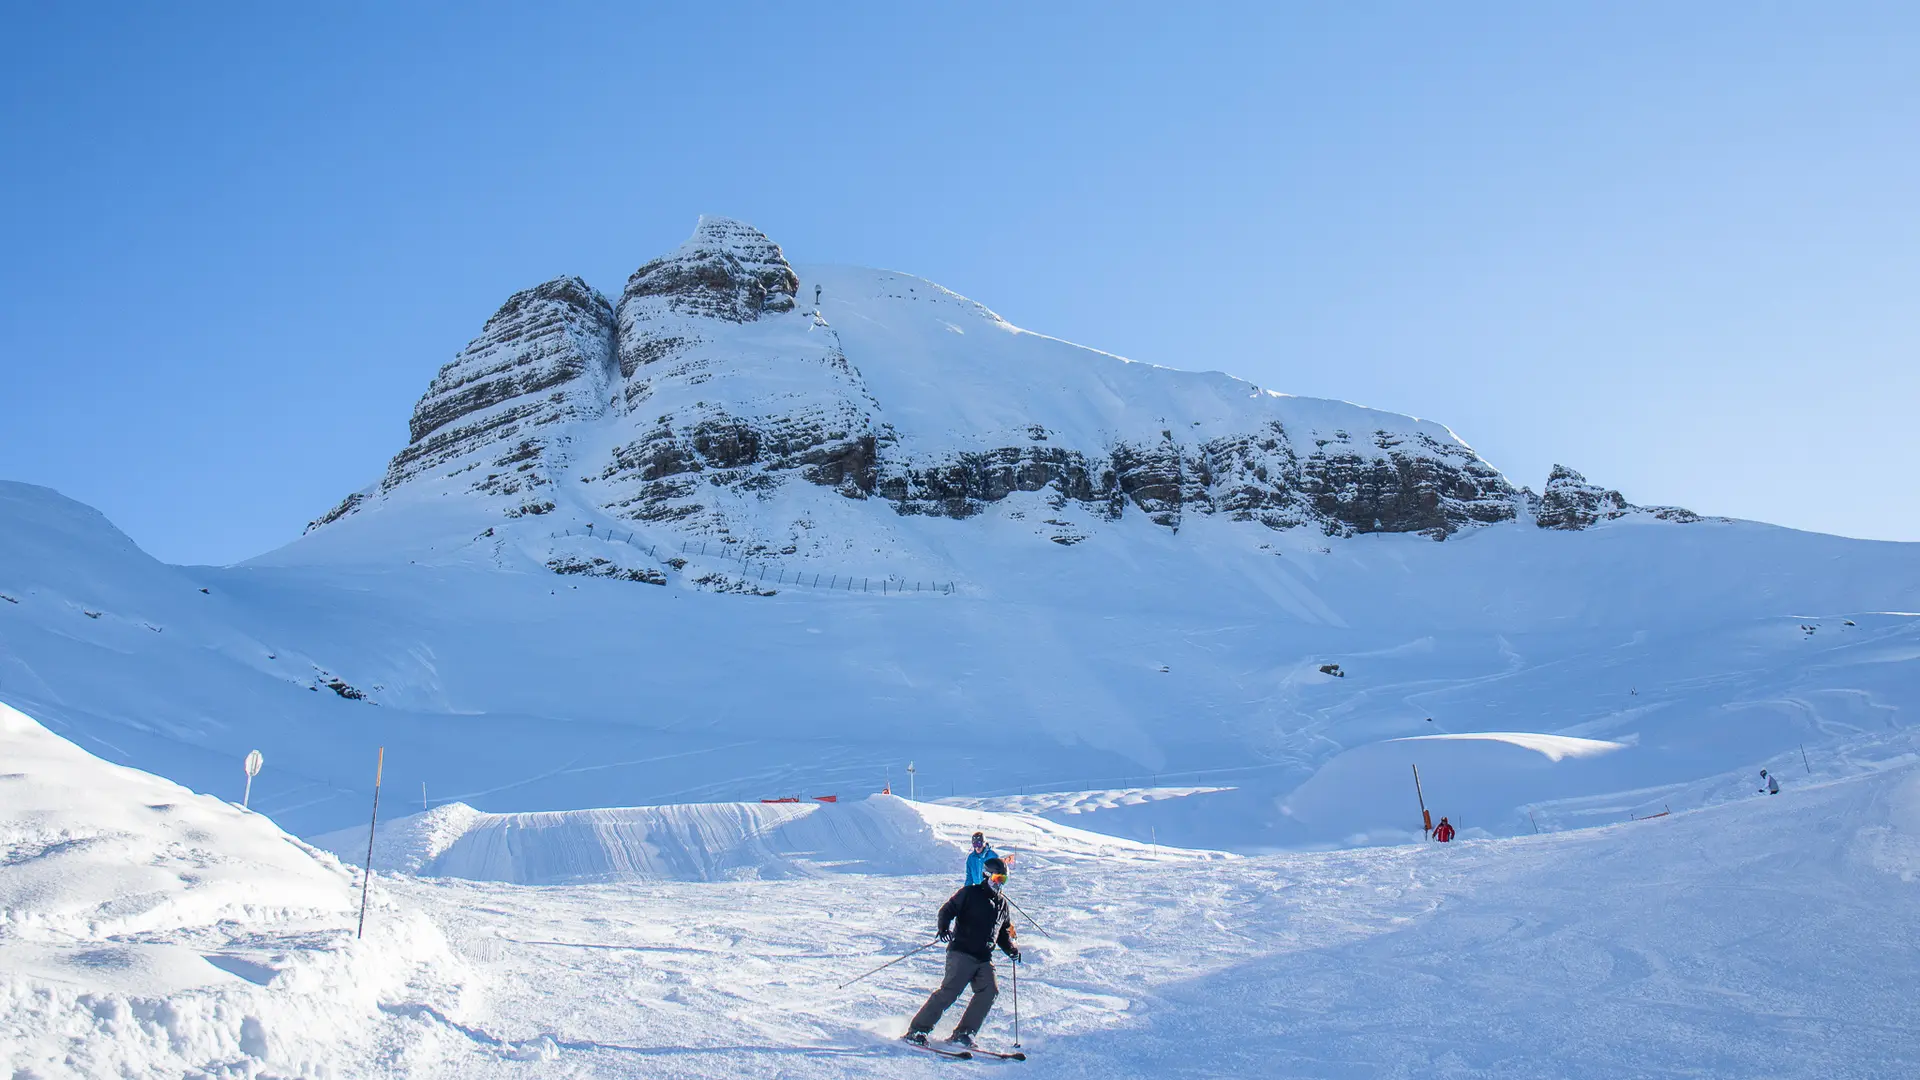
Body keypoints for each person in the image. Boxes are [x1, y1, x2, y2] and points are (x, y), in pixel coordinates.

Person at [905, 856, 1021, 1049]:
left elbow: (1003, 933)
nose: (1000, 885)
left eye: (1004, 881)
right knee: (950, 992)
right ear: (987, 876)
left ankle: (964, 1033)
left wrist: (1011, 950)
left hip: (984, 958)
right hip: (962, 953)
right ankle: (917, 1030)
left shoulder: (1002, 905)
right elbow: (947, 910)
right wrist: (944, 928)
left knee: (989, 991)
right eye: (997, 879)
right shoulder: (970, 893)